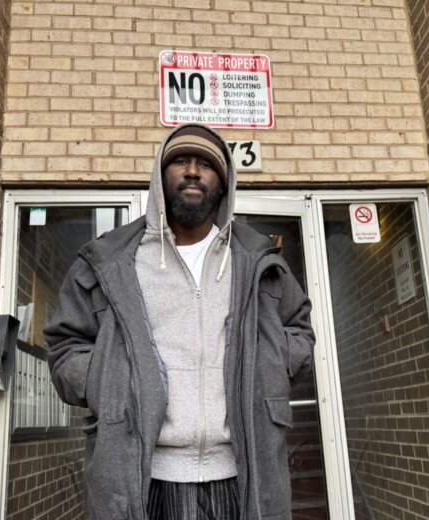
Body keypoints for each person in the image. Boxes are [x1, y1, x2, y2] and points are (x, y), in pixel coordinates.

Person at [45, 123, 315, 520]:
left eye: (206, 164)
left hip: (243, 474)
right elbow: (65, 347)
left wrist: (268, 367)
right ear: (159, 176)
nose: (192, 171)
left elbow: (299, 330)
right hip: (142, 478)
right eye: (180, 162)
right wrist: (112, 378)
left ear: (223, 183)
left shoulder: (256, 259)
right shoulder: (111, 260)